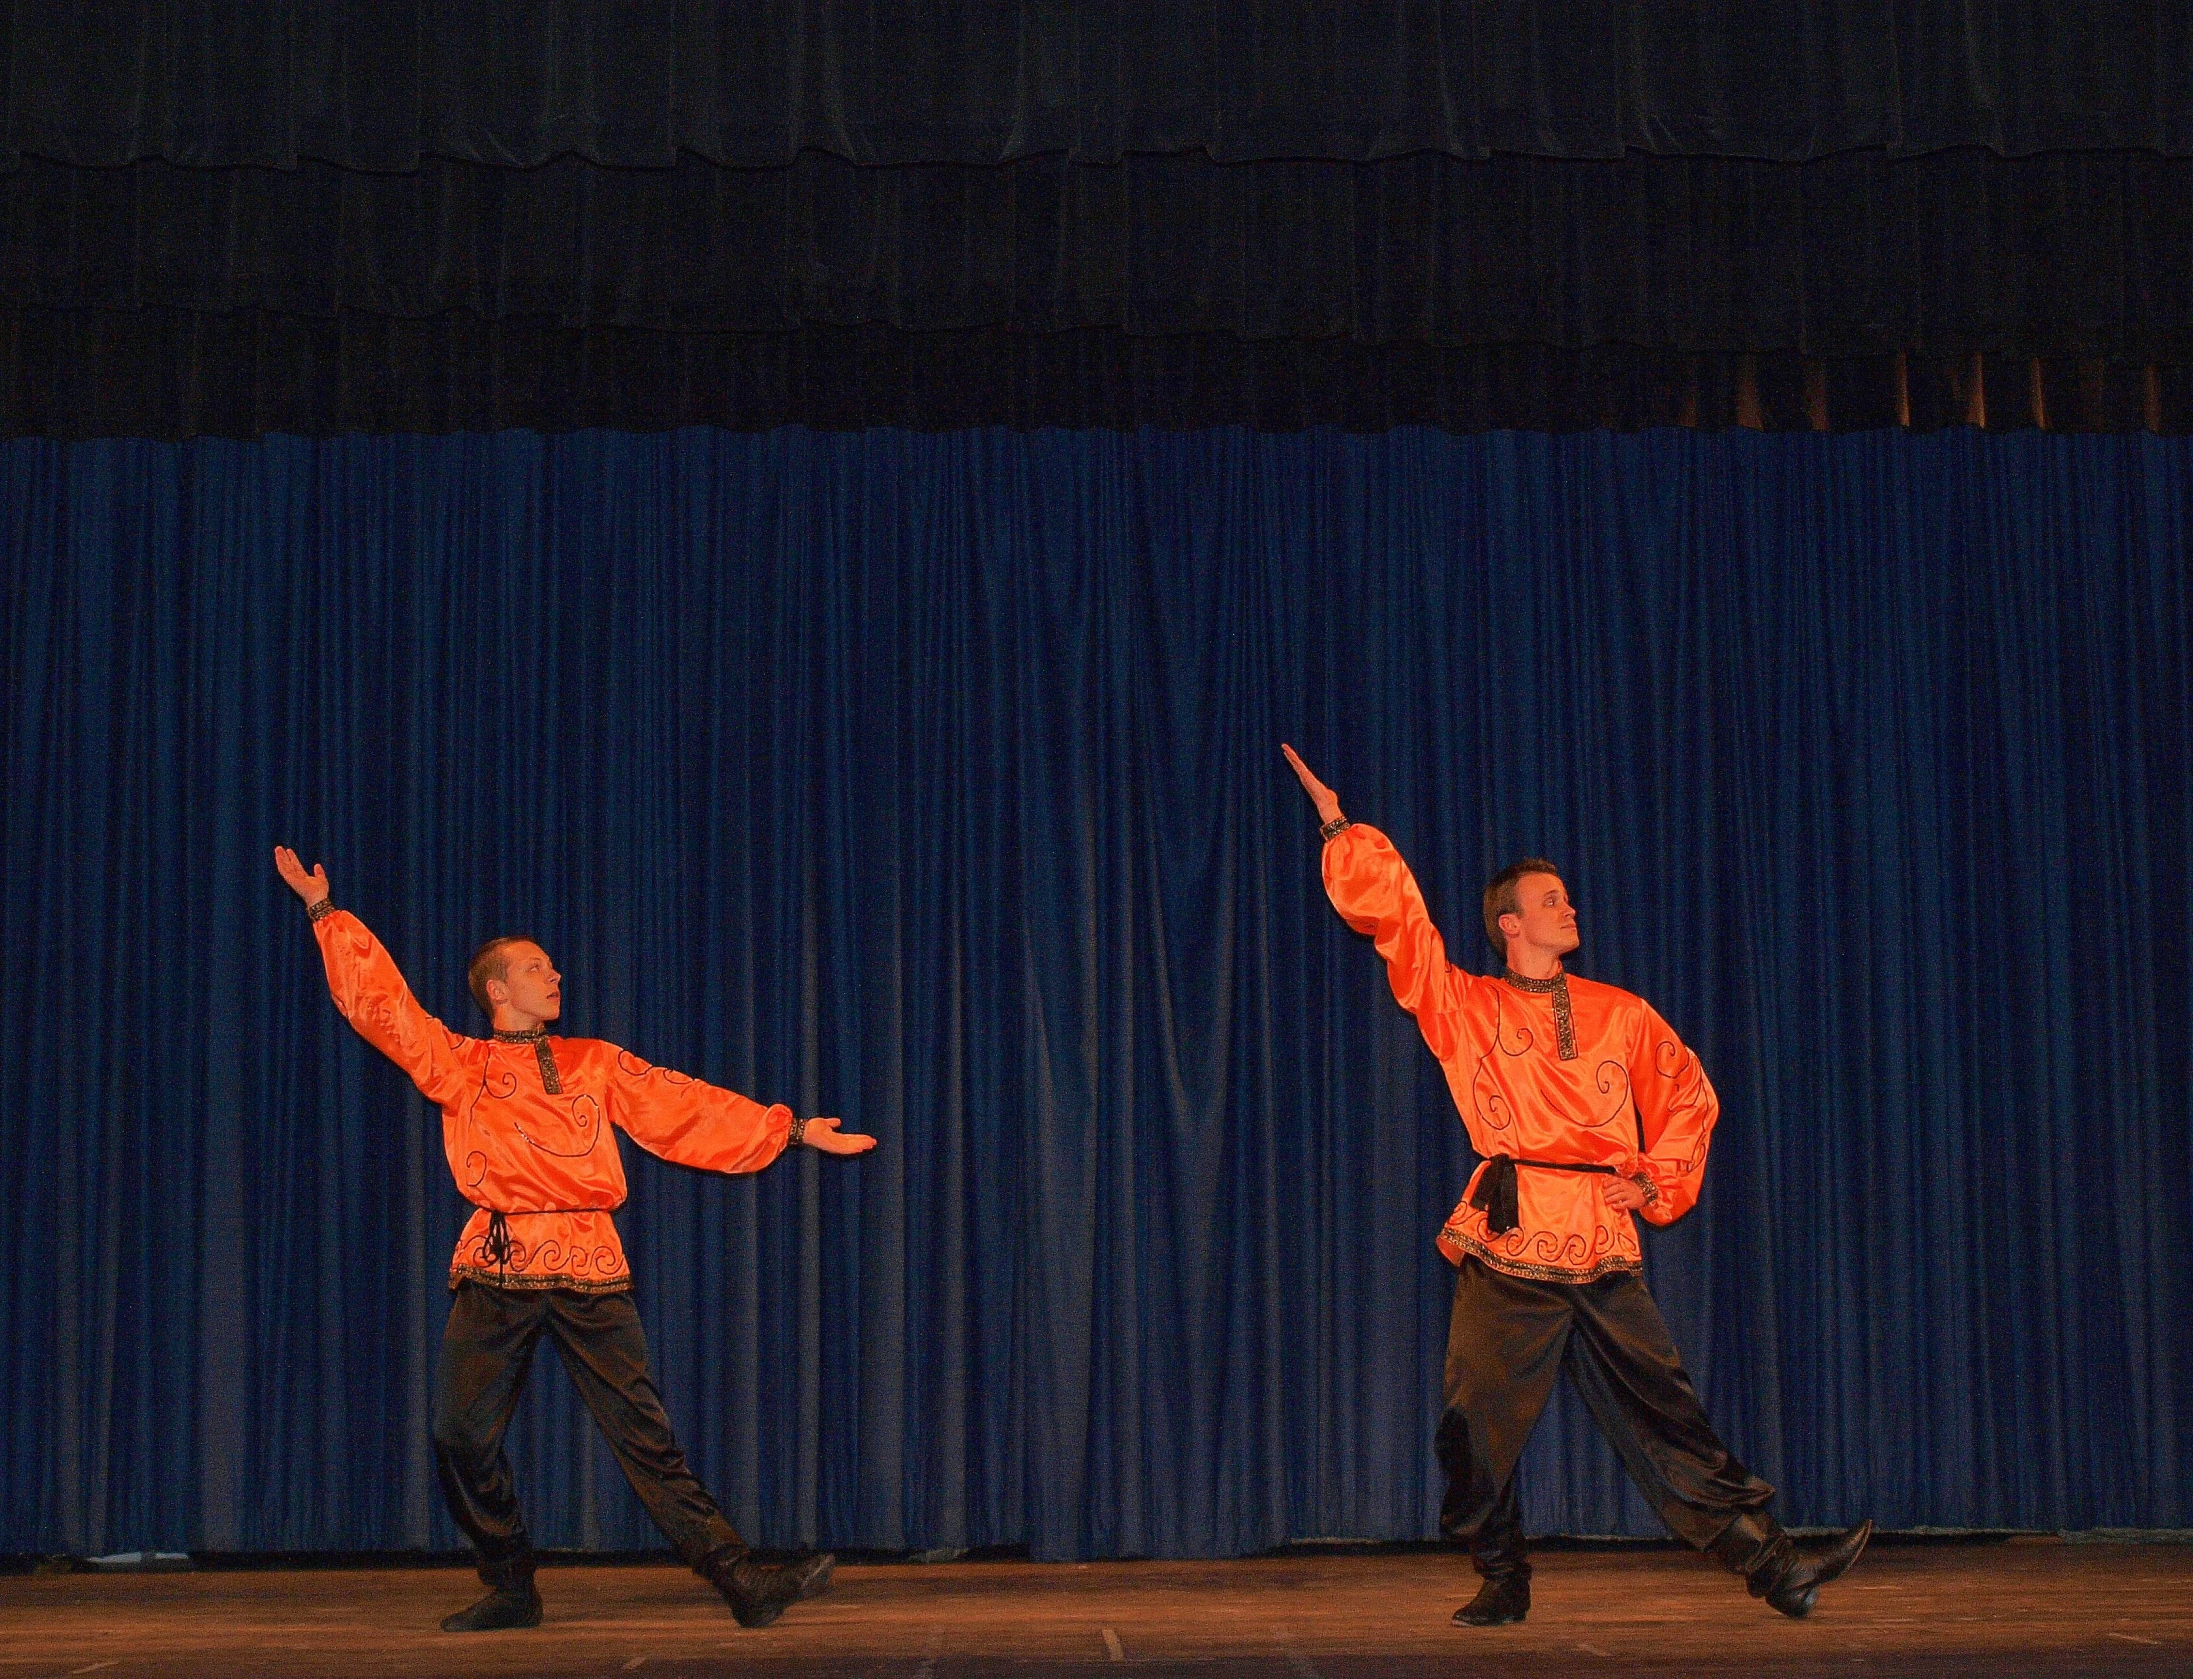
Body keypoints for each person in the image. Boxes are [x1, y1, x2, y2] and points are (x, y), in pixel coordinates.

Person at [1279, 747, 1870, 1627]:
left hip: (1596, 1233)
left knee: (1667, 1414)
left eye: (1565, 895)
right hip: (1511, 1234)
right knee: (1473, 1424)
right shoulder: (1466, 1006)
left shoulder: (1620, 1012)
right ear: (1509, 924)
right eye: (1549, 899)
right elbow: (1402, 927)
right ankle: (1501, 1571)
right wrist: (1338, 827)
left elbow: (1688, 1092)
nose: (1568, 905)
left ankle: (1777, 1565)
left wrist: (1657, 1177)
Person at [274, 845, 875, 1633]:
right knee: (458, 1432)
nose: (553, 976)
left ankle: (740, 1578)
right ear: (498, 988)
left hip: (587, 1259)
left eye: (552, 967)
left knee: (644, 1435)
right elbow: (383, 1009)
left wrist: (789, 1128)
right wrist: (326, 913)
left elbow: (679, 1107)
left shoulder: (593, 1062)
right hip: (497, 1263)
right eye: (535, 967)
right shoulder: (461, 1064)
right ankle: (512, 1582)